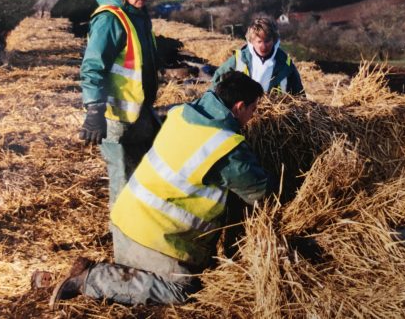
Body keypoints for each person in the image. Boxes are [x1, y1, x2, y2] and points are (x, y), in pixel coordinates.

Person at [50, 71, 275, 308]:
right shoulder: (226, 147)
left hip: (125, 222)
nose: (253, 117)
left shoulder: (182, 113)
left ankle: (59, 279)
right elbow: (261, 193)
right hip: (155, 240)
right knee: (182, 291)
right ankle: (91, 279)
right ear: (239, 107)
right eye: (253, 110)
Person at [78, 0, 162, 208]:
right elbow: (92, 67)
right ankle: (123, 237)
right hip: (116, 117)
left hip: (140, 111)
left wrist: (159, 51)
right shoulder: (109, 20)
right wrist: (94, 110)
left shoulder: (137, 15)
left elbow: (132, 55)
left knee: (148, 174)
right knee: (123, 181)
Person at [211, 17, 304, 95]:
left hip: (276, 113)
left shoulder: (285, 63)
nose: (263, 47)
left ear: (274, 40)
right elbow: (217, 82)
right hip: (243, 113)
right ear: (251, 41)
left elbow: (299, 95)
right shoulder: (239, 59)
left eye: (267, 41)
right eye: (259, 41)